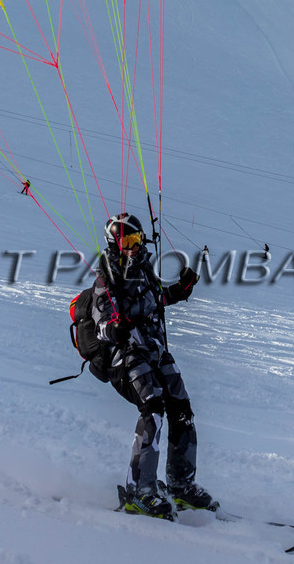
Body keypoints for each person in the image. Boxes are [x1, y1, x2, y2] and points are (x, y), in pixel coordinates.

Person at [94, 212, 212, 519]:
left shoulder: (144, 269)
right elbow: (101, 324)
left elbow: (154, 300)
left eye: (137, 240)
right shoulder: (108, 276)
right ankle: (139, 491)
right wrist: (115, 329)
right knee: (153, 408)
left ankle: (181, 486)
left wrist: (179, 290)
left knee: (182, 408)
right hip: (129, 356)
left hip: (156, 350)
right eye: (128, 242)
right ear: (115, 244)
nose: (135, 247)